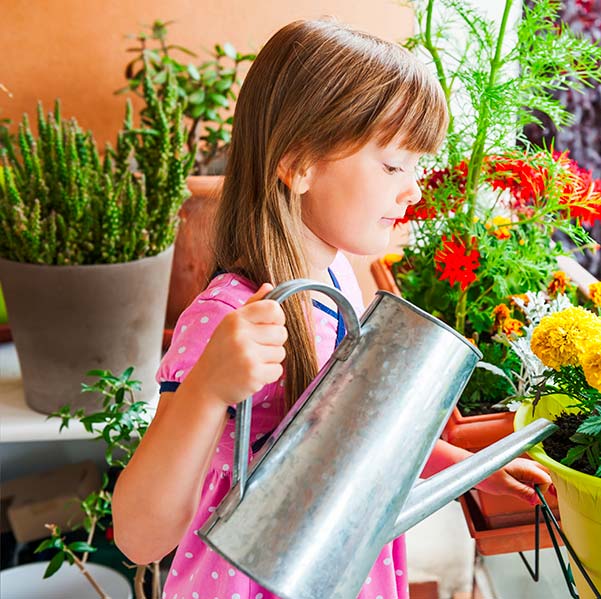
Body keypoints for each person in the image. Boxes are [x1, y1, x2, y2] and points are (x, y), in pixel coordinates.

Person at [112, 19, 552, 599]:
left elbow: (348, 436)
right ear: (299, 165)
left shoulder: (336, 278)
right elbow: (139, 538)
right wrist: (206, 390)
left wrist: (472, 467)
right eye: (394, 165)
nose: (414, 189)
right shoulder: (228, 319)